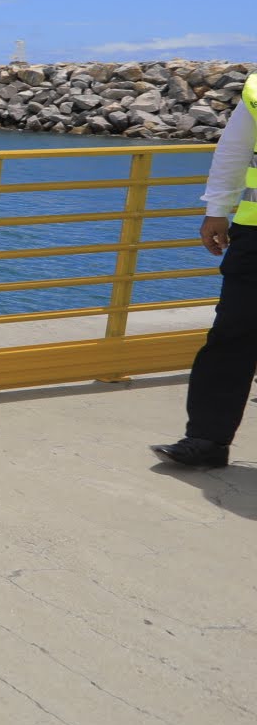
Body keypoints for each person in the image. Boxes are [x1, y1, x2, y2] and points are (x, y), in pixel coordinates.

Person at [153, 68, 257, 469]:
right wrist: (217, 210)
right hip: (254, 234)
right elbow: (234, 149)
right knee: (232, 336)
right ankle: (207, 440)